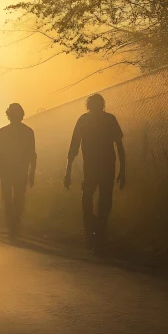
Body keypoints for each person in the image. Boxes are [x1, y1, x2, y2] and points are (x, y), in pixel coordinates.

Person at [64, 93, 126, 245]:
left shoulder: (107, 120)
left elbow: (119, 145)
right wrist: (67, 172)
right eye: (93, 105)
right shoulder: (87, 120)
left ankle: (98, 231)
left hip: (104, 166)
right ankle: (93, 228)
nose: (95, 107)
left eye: (97, 105)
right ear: (90, 106)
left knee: (102, 199)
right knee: (91, 198)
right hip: (95, 166)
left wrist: (123, 170)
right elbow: (74, 146)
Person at [0, 103, 37, 238]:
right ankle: (14, 225)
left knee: (9, 198)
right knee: (17, 198)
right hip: (17, 170)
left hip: (9, 170)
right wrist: (32, 172)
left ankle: (12, 225)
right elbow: (32, 154)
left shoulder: (2, 132)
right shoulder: (27, 132)